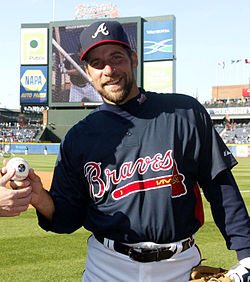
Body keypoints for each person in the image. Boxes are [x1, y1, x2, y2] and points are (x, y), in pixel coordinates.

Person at [8, 20, 250, 281]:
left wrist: (247, 255)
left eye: (116, 57)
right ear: (88, 71)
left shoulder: (185, 113)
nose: (109, 70)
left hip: (179, 266)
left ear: (133, 59)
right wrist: (38, 197)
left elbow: (221, 188)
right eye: (97, 63)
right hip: (107, 267)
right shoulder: (78, 138)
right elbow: (67, 219)